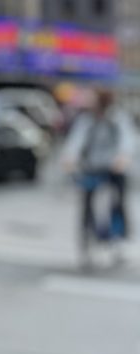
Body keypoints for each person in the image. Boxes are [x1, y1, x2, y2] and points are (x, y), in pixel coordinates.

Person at [62, 87, 136, 267]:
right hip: (92, 169)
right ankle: (86, 245)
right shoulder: (87, 119)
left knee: (117, 205)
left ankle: (117, 244)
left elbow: (127, 138)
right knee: (87, 207)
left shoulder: (117, 117)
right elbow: (76, 140)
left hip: (113, 170)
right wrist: (70, 157)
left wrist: (123, 157)